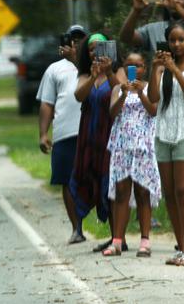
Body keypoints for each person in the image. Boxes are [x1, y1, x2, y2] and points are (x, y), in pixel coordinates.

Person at [148, 20, 184, 267]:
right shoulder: (162, 68)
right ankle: (181, 248)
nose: (176, 44)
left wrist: (173, 69)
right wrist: (155, 70)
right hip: (163, 133)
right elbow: (152, 100)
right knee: (171, 195)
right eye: (172, 40)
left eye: (181, 39)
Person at [69, 32, 125, 253]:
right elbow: (79, 96)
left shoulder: (117, 70)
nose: (95, 52)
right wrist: (93, 77)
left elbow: (120, 89)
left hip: (112, 134)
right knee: (93, 179)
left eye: (100, 47)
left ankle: (118, 237)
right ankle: (114, 236)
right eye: (91, 49)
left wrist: (108, 71)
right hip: (90, 136)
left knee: (110, 183)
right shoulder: (84, 74)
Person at [102, 52, 161, 257]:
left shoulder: (149, 87)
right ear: (124, 68)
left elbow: (153, 111)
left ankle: (145, 240)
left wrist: (140, 93)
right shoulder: (118, 88)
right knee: (121, 193)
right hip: (122, 146)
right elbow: (112, 113)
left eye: (138, 65)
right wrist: (125, 94)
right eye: (129, 65)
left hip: (143, 147)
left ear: (144, 68)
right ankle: (117, 240)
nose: (133, 68)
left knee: (143, 193)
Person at [36, 24, 88, 244]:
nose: (75, 43)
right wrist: (43, 133)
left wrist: (78, 57)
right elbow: (47, 103)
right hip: (65, 132)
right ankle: (77, 228)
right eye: (71, 39)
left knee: (95, 178)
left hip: (89, 130)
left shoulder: (93, 64)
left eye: (79, 39)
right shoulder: (54, 69)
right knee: (67, 180)